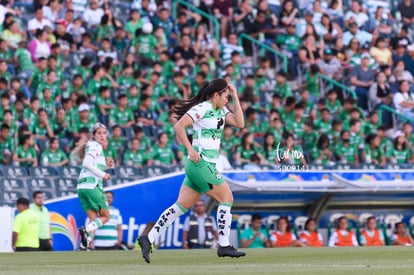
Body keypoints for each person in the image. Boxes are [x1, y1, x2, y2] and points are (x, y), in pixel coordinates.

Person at [137, 79, 245, 263]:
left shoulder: (222, 110)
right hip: (201, 164)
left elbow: (239, 123)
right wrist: (190, 149)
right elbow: (179, 126)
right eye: (225, 96)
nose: (227, 99)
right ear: (215, 94)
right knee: (226, 198)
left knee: (180, 206)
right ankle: (224, 245)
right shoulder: (202, 108)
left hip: (204, 166)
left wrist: (235, 96)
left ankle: (149, 237)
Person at [75, 123, 112, 249]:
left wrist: (107, 166)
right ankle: (86, 230)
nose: (102, 136)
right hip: (92, 186)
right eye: (99, 133)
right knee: (106, 216)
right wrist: (104, 174)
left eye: (104, 133)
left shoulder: (91, 146)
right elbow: (87, 163)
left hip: (81, 187)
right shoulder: (96, 146)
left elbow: (91, 165)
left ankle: (84, 244)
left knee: (93, 219)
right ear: (94, 135)